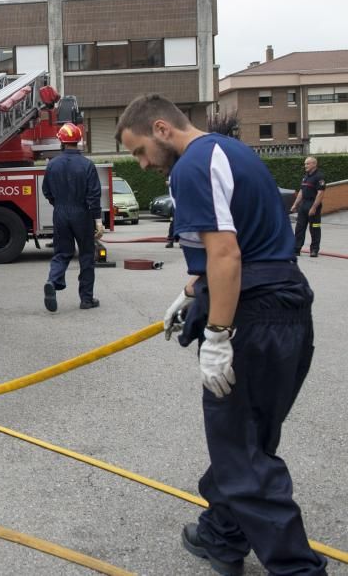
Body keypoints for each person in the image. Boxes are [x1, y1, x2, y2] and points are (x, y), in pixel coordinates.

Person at [116, 94, 328, 576]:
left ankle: (297, 569)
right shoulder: (232, 153)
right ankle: (222, 533)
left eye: (140, 150)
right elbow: (249, 242)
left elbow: (227, 255)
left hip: (253, 318)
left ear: (162, 129)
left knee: (240, 451)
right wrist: (193, 289)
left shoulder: (190, 167)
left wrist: (217, 335)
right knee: (252, 438)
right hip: (287, 306)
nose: (144, 164)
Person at [41, 122, 103, 312]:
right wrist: (98, 221)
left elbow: (46, 191)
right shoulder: (87, 165)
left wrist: (58, 205)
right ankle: (86, 299)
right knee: (86, 255)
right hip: (82, 214)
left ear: (61, 141)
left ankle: (53, 280)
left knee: (62, 253)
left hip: (60, 212)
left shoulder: (52, 165)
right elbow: (94, 195)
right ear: (78, 141)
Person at [290, 155, 325, 258]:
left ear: (314, 164)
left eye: (307, 163)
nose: (305, 165)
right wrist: (295, 204)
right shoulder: (306, 177)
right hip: (303, 205)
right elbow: (301, 191)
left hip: (313, 205)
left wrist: (314, 207)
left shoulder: (319, 177)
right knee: (299, 228)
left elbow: (320, 194)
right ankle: (296, 249)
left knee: (314, 229)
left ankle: (314, 250)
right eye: (305, 163)